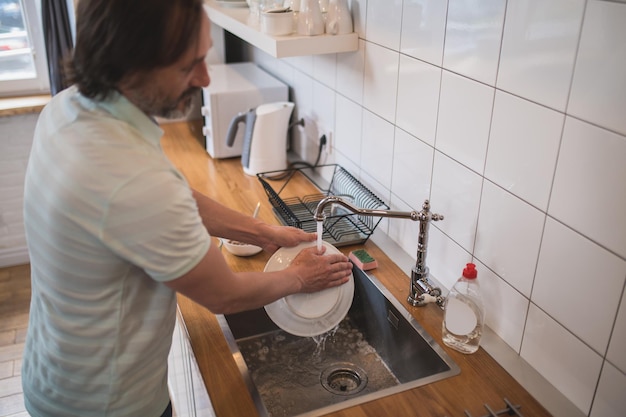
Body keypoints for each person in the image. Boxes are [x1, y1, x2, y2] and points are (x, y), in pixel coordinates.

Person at [21, 1, 353, 416]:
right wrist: (298, 278)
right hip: (105, 404)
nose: (205, 77)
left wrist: (264, 233)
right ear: (131, 65)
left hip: (56, 374)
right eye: (188, 65)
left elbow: (178, 199)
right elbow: (223, 294)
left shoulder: (69, 108)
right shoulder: (133, 179)